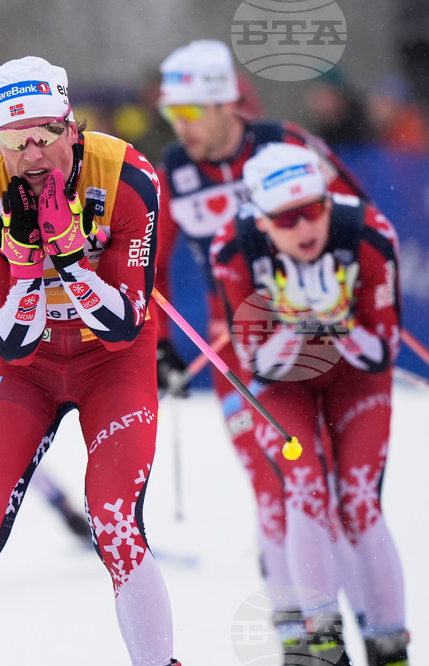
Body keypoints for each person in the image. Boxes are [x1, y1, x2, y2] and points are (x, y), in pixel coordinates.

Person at [0, 56, 180, 666]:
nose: (34, 155)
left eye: (46, 135)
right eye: (16, 141)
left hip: (111, 363)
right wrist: (29, 269)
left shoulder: (127, 176)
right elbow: (11, 343)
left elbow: (122, 326)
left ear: (72, 127)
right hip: (25, 370)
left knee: (114, 518)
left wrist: (71, 260)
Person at [153, 39, 372, 654]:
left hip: (315, 340)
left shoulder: (286, 146)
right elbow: (151, 266)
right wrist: (162, 346)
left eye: (190, 112)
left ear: (225, 101)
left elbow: (359, 217)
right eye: (172, 114)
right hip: (234, 356)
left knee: (331, 488)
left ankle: (365, 622)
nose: (181, 127)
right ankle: (297, 636)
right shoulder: (175, 172)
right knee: (274, 485)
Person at [210, 142, 410, 666]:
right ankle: (322, 639)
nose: (305, 227)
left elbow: (384, 350)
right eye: (286, 218)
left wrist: (340, 321)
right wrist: (298, 324)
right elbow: (256, 363)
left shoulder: (368, 231)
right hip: (283, 383)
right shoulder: (234, 247)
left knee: (359, 499)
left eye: (314, 208)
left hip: (355, 378)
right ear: (260, 219)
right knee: (304, 487)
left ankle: (390, 645)